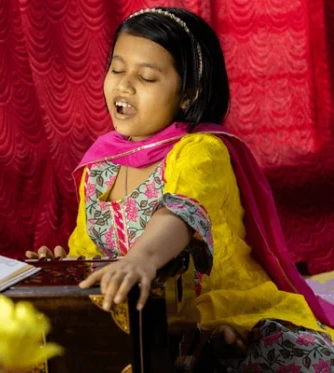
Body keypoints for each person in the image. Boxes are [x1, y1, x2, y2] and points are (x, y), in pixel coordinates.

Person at [26, 6, 334, 372]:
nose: (123, 85)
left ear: (188, 94)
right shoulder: (98, 167)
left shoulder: (201, 151)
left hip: (228, 315)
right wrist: (63, 266)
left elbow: (180, 212)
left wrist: (142, 257)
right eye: (118, 69)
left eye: (147, 77)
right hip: (145, 327)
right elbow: (90, 250)